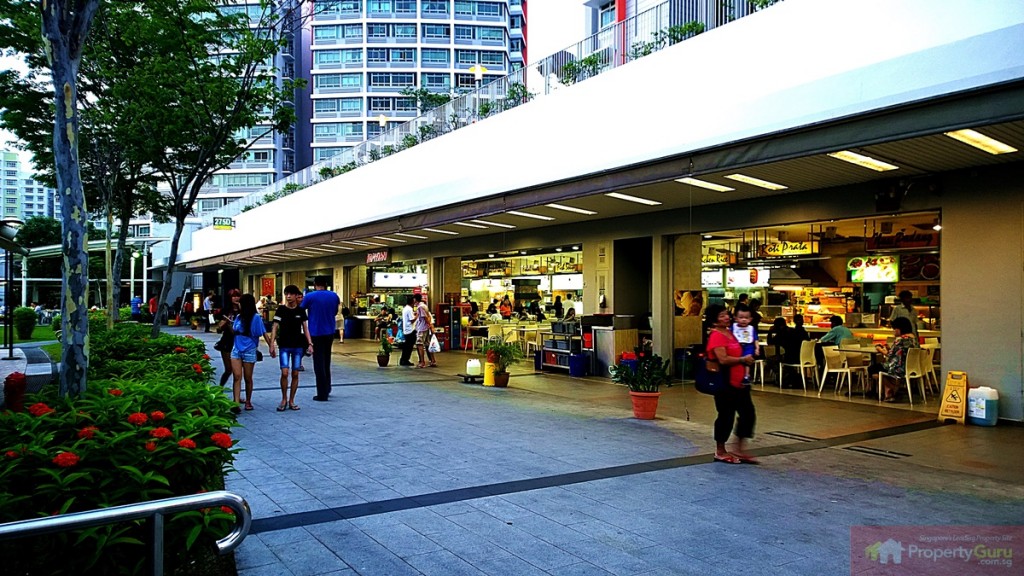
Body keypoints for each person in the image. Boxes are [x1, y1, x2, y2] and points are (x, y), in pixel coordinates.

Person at [705, 303, 757, 465]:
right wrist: (742, 359)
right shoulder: (716, 336)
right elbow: (723, 359)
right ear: (714, 320)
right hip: (725, 384)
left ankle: (739, 449)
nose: (726, 317)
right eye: (721, 316)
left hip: (740, 383)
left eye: (726, 314)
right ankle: (720, 451)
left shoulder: (729, 332)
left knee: (748, 414)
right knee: (726, 416)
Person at [270, 285, 313, 412]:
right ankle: (284, 398)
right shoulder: (281, 310)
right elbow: (275, 327)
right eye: (286, 294)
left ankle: (291, 400)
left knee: (295, 373)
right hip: (284, 345)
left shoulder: (300, 311)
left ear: (296, 296)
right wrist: (271, 344)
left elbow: (305, 328)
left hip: (298, 346)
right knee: (284, 372)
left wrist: (310, 343)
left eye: (291, 294)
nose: (288, 296)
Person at [230, 293, 273, 412]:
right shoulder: (238, 317)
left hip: (249, 349)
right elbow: (234, 330)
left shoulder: (256, 318)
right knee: (237, 376)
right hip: (236, 349)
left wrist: (271, 347)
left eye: (240, 303)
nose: (239, 305)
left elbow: (262, 332)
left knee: (248, 378)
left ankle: (248, 401)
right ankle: (236, 403)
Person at [301, 276, 340, 401]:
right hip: (329, 332)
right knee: (326, 360)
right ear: (326, 284)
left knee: (318, 363)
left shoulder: (310, 296)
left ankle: (322, 393)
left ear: (315, 284)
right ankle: (327, 387)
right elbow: (334, 312)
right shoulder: (334, 296)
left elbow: (301, 310)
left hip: (315, 332)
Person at [871, 316, 919, 402]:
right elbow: (898, 353)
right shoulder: (913, 339)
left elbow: (889, 355)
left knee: (872, 368)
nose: (894, 331)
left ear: (900, 329)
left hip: (898, 368)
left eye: (895, 329)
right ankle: (889, 392)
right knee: (878, 369)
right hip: (911, 367)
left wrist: (881, 350)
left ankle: (891, 389)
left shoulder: (900, 340)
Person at [215, 289, 242, 387]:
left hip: (240, 342)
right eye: (233, 296)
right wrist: (226, 322)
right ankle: (220, 389)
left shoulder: (243, 310)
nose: (236, 298)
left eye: (238, 296)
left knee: (237, 372)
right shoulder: (226, 310)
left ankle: (237, 395)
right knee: (229, 369)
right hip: (227, 342)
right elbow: (219, 329)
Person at [731, 303, 759, 383]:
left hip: (748, 347)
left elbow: (755, 339)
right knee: (737, 362)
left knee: (747, 361)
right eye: (741, 317)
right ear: (735, 318)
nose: (744, 320)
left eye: (746, 318)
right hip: (737, 347)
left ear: (750, 319)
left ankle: (746, 375)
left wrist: (757, 348)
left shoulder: (751, 328)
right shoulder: (733, 327)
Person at [412, 293, 437, 368]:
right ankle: (433, 361)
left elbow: (426, 317)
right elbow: (428, 316)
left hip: (422, 328)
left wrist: (430, 325)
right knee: (428, 344)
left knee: (419, 344)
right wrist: (430, 326)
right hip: (425, 328)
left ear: (415, 299)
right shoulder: (424, 306)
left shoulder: (420, 307)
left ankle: (422, 362)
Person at [399, 296, 417, 366]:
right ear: (412, 302)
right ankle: (405, 360)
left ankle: (403, 359)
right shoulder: (409, 309)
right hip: (410, 330)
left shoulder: (405, 308)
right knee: (409, 346)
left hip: (406, 330)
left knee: (406, 346)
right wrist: (417, 316)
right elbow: (412, 320)